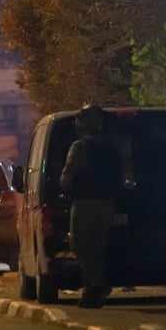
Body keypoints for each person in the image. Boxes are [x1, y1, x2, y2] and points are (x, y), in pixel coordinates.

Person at [59, 103, 124, 309]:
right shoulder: (112, 146)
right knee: (97, 248)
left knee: (78, 246)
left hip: (85, 202)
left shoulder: (79, 147)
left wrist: (62, 183)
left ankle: (97, 282)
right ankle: (91, 293)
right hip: (107, 203)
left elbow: (67, 178)